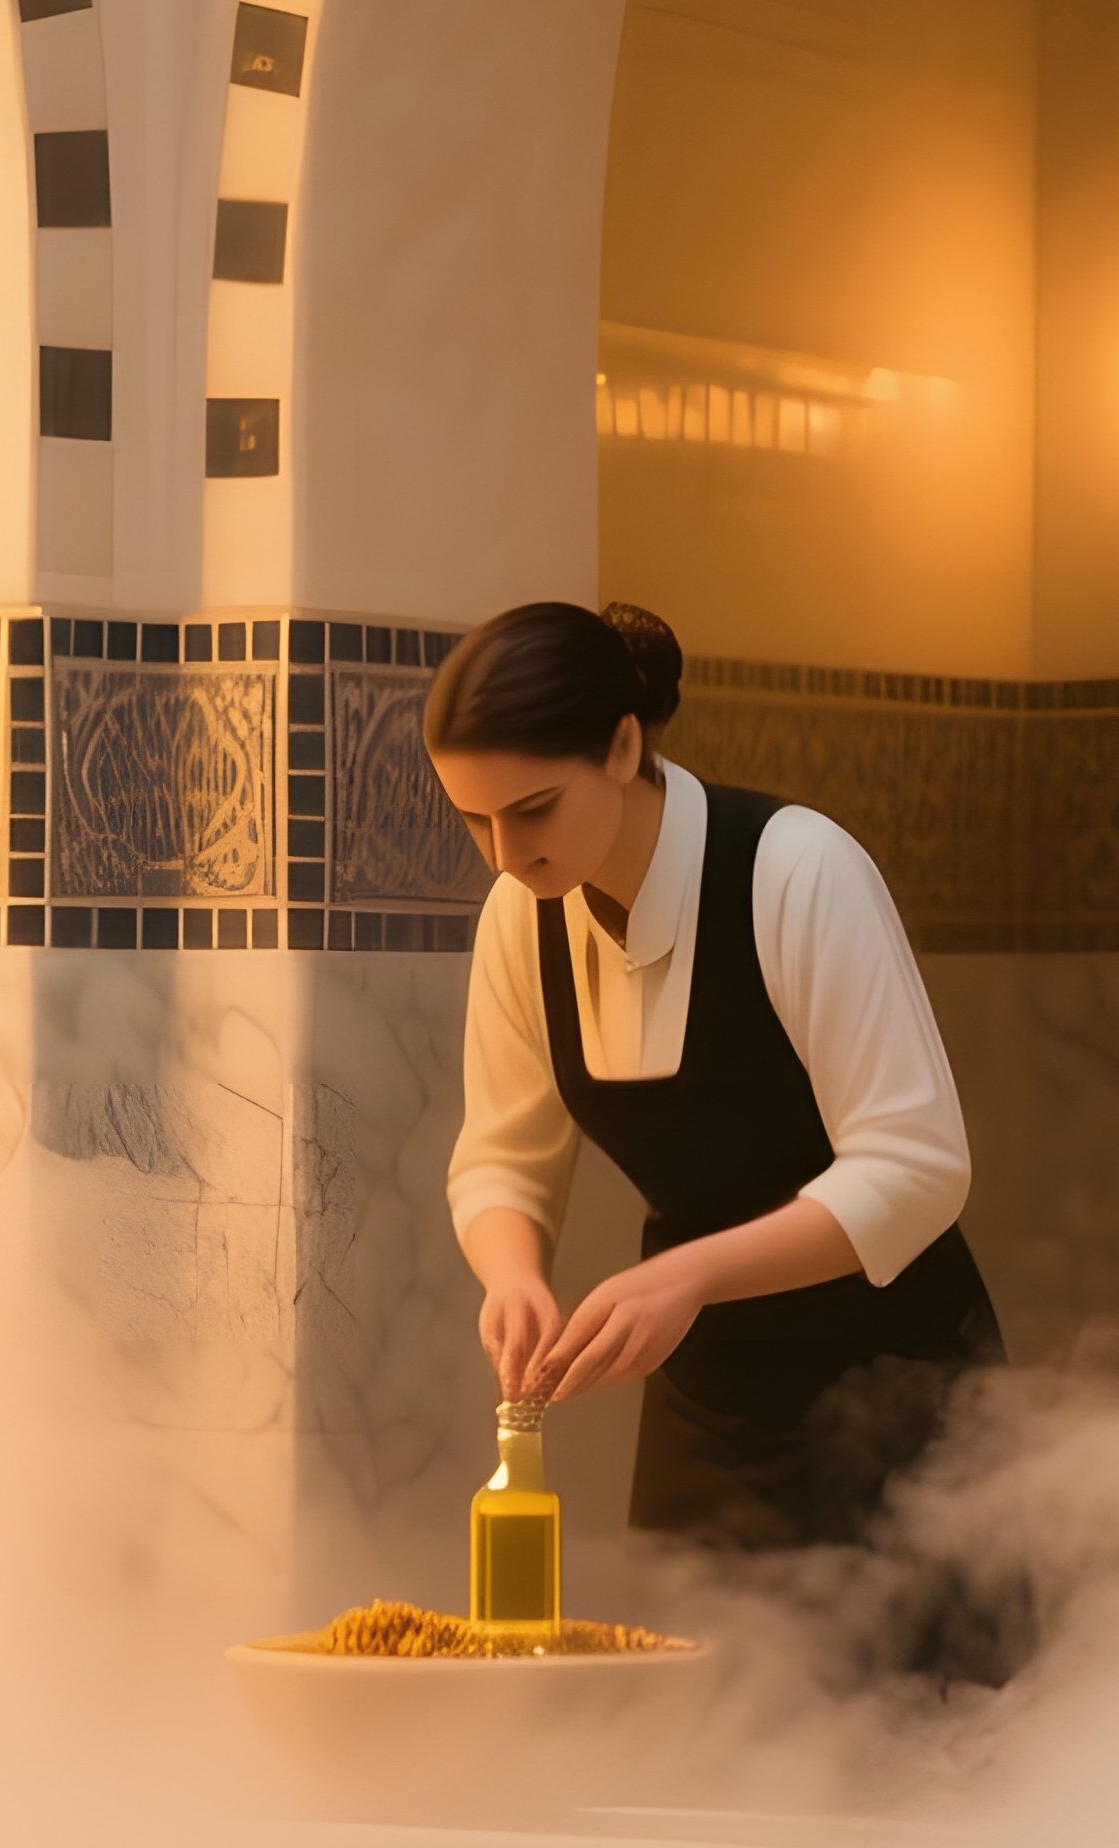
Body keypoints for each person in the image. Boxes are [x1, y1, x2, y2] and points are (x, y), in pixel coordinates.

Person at [427, 600, 1028, 1686]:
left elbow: (918, 1164)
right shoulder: (524, 918)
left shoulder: (795, 870)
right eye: (476, 823)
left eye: (531, 811)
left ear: (622, 745)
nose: (507, 856)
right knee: (705, 1734)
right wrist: (510, 1275)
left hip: (893, 1380)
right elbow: (501, 1154)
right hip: (712, 1401)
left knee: (927, 1751)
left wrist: (689, 1275)